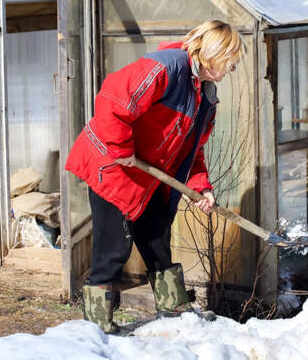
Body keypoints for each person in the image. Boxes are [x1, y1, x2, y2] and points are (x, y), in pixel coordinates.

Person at [65, 20, 246, 333]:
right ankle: (96, 328)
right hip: (114, 166)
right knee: (113, 248)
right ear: (215, 53)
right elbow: (113, 99)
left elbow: (193, 151)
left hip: (149, 176)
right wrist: (121, 147)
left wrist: (200, 187)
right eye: (231, 60)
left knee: (157, 238)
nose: (233, 68)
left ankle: (176, 311)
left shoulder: (205, 96)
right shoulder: (166, 68)